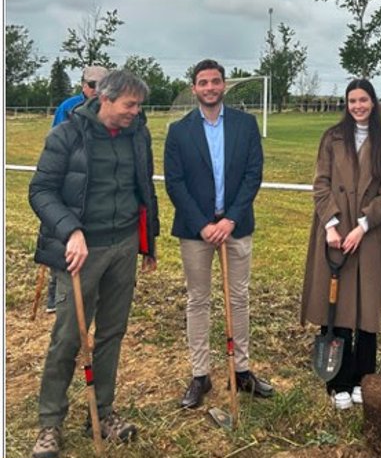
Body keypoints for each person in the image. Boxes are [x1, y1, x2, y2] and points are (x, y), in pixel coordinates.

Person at [29, 70, 159, 458]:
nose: (136, 112)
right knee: (67, 339)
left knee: (112, 334)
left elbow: (144, 186)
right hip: (80, 253)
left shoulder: (138, 134)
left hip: (122, 247)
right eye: (129, 105)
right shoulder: (67, 135)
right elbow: (40, 190)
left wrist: (148, 241)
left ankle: (102, 413)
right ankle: (49, 423)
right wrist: (71, 230)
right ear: (105, 98)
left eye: (139, 106)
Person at [164, 58, 273, 409]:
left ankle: (240, 370)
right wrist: (203, 224)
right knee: (198, 300)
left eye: (215, 81)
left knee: (238, 298)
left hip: (236, 227)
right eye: (202, 82)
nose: (209, 87)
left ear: (224, 85)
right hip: (196, 231)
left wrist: (230, 220)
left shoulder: (245, 124)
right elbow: (175, 183)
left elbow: (253, 174)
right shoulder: (179, 131)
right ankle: (200, 375)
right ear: (194, 88)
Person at [301, 79, 381, 410]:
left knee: (366, 305)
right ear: (346, 103)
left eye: (363, 100)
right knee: (336, 303)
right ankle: (338, 379)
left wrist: (365, 225)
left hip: (368, 233)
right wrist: (332, 225)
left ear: (373, 102)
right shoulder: (332, 138)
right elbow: (320, 183)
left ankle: (362, 377)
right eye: (352, 100)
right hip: (335, 231)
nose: (358, 106)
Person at [45, 65, 109, 313]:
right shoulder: (68, 107)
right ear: (83, 85)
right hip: (69, 181)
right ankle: (55, 292)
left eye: (102, 85)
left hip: (98, 187)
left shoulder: (111, 107)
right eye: (93, 85)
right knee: (63, 238)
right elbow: (55, 143)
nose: (97, 90)